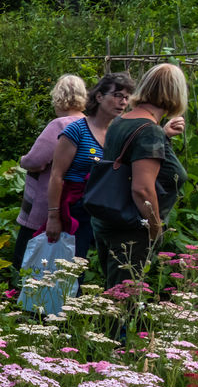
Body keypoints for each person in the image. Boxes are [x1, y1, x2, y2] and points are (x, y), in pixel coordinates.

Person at [91, 63, 188, 290]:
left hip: (110, 221)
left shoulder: (122, 121)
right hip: (131, 230)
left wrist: (163, 135)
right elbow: (142, 189)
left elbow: (131, 159)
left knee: (114, 296)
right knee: (122, 304)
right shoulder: (148, 131)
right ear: (175, 93)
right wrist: (155, 228)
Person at [44, 72, 136, 260]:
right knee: (72, 264)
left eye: (127, 98)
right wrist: (53, 217)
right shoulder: (76, 130)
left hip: (109, 209)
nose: (123, 102)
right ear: (99, 96)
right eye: (117, 95)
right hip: (77, 209)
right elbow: (56, 175)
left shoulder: (119, 133)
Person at [12, 75, 87, 272]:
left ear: (58, 97)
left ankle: (19, 295)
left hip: (44, 205)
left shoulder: (60, 124)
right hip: (74, 204)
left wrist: (22, 161)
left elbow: (35, 160)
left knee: (26, 258)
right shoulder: (88, 125)